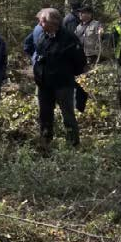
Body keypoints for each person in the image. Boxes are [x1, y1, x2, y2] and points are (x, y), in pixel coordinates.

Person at [32, 8, 87, 147]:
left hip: (63, 84)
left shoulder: (69, 38)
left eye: (42, 22)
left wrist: (65, 73)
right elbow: (37, 56)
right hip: (44, 84)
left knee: (68, 115)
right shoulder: (42, 36)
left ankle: (73, 144)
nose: (39, 24)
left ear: (52, 22)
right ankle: (45, 142)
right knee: (44, 114)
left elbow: (80, 62)